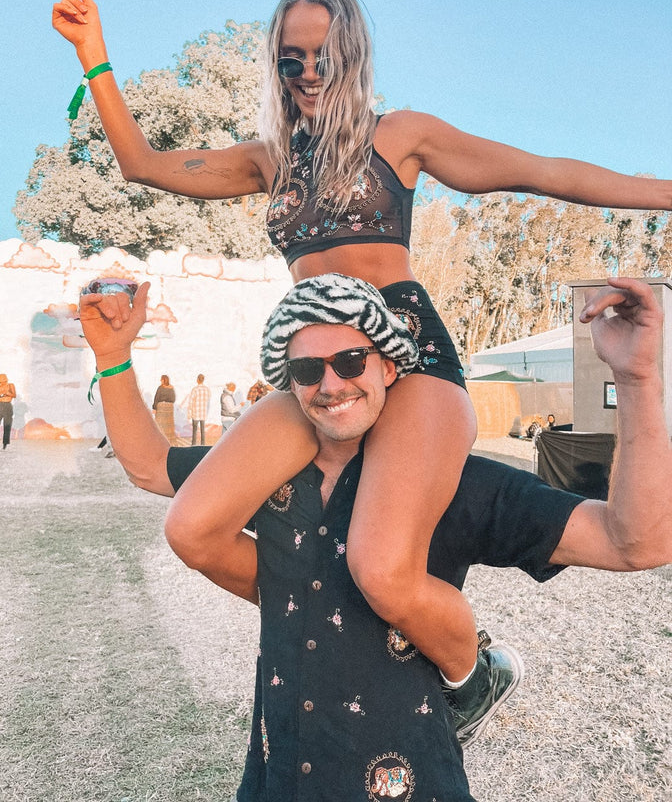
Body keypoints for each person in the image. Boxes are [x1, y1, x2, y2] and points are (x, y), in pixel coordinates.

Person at [53, 0, 672, 694]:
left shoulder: (398, 136)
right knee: (193, 527)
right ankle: (330, 615)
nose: (309, 73)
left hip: (409, 357)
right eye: (292, 59)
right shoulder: (268, 159)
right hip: (318, 365)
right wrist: (92, 53)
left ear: (354, 56)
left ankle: (472, 676)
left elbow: (542, 173)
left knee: (382, 565)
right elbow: (142, 165)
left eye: (326, 56)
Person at [78, 275, 671, 801]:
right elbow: (149, 465)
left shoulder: (450, 482)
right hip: (276, 781)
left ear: (389, 366)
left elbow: (635, 543)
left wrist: (636, 377)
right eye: (307, 370)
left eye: (351, 360)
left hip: (415, 782)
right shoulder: (261, 476)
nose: (331, 384)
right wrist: (112, 355)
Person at [0, 373, 16, 451]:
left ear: (6, 380)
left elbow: (14, 395)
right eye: (1, 381)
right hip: (0, 405)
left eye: (4, 381)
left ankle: (5, 444)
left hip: (8, 405)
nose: (2, 383)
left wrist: (6, 393)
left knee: (7, 425)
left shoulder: (10, 385)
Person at [187, 373, 211, 445]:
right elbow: (208, 398)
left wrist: (189, 413)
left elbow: (191, 402)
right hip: (203, 412)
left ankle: (193, 444)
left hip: (196, 413)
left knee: (194, 430)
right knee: (202, 430)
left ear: (197, 380)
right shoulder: (207, 389)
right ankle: (203, 444)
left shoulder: (195, 389)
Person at [152, 374, 176, 443]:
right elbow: (173, 399)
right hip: (169, 408)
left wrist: (154, 408)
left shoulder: (160, 388)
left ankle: (160, 439)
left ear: (164, 380)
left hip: (161, 408)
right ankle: (168, 439)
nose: (160, 380)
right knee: (168, 425)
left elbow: (156, 398)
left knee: (160, 424)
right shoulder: (171, 388)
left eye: (161, 379)